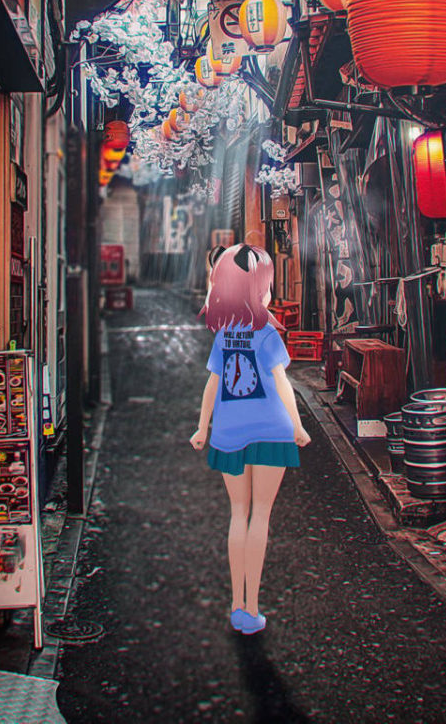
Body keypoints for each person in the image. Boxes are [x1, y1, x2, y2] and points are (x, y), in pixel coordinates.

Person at [189, 242, 311, 634]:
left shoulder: (224, 334)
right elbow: (283, 383)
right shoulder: (266, 332)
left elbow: (212, 385)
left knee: (237, 514)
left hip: (229, 431)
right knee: (261, 515)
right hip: (271, 431)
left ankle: (236, 604)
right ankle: (253, 610)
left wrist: (202, 427)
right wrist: (298, 425)